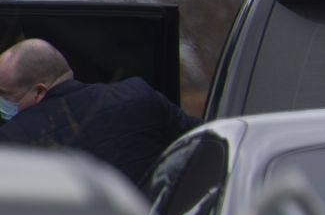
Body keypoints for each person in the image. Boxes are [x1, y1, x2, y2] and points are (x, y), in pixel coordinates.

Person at [0, 39, 199, 184]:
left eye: (6, 95)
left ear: (39, 91)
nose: (3, 103)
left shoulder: (12, 140)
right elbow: (207, 143)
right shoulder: (140, 96)